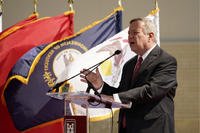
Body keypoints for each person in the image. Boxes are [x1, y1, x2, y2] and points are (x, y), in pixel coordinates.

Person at [80, 18, 177, 133]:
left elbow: (150, 91)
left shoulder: (166, 61)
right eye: (129, 33)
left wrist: (115, 98)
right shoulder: (129, 65)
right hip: (127, 128)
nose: (130, 37)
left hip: (152, 127)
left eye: (135, 33)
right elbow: (123, 92)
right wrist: (100, 85)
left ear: (150, 36)